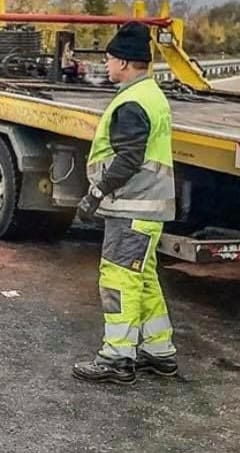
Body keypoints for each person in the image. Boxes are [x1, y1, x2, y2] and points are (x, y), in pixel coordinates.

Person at [73, 22, 178, 386]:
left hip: (132, 207)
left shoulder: (132, 102)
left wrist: (96, 193)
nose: (106, 66)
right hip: (147, 207)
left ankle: (117, 357)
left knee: (118, 279)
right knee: (142, 277)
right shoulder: (150, 93)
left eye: (108, 60)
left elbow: (128, 159)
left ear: (124, 62)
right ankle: (158, 350)